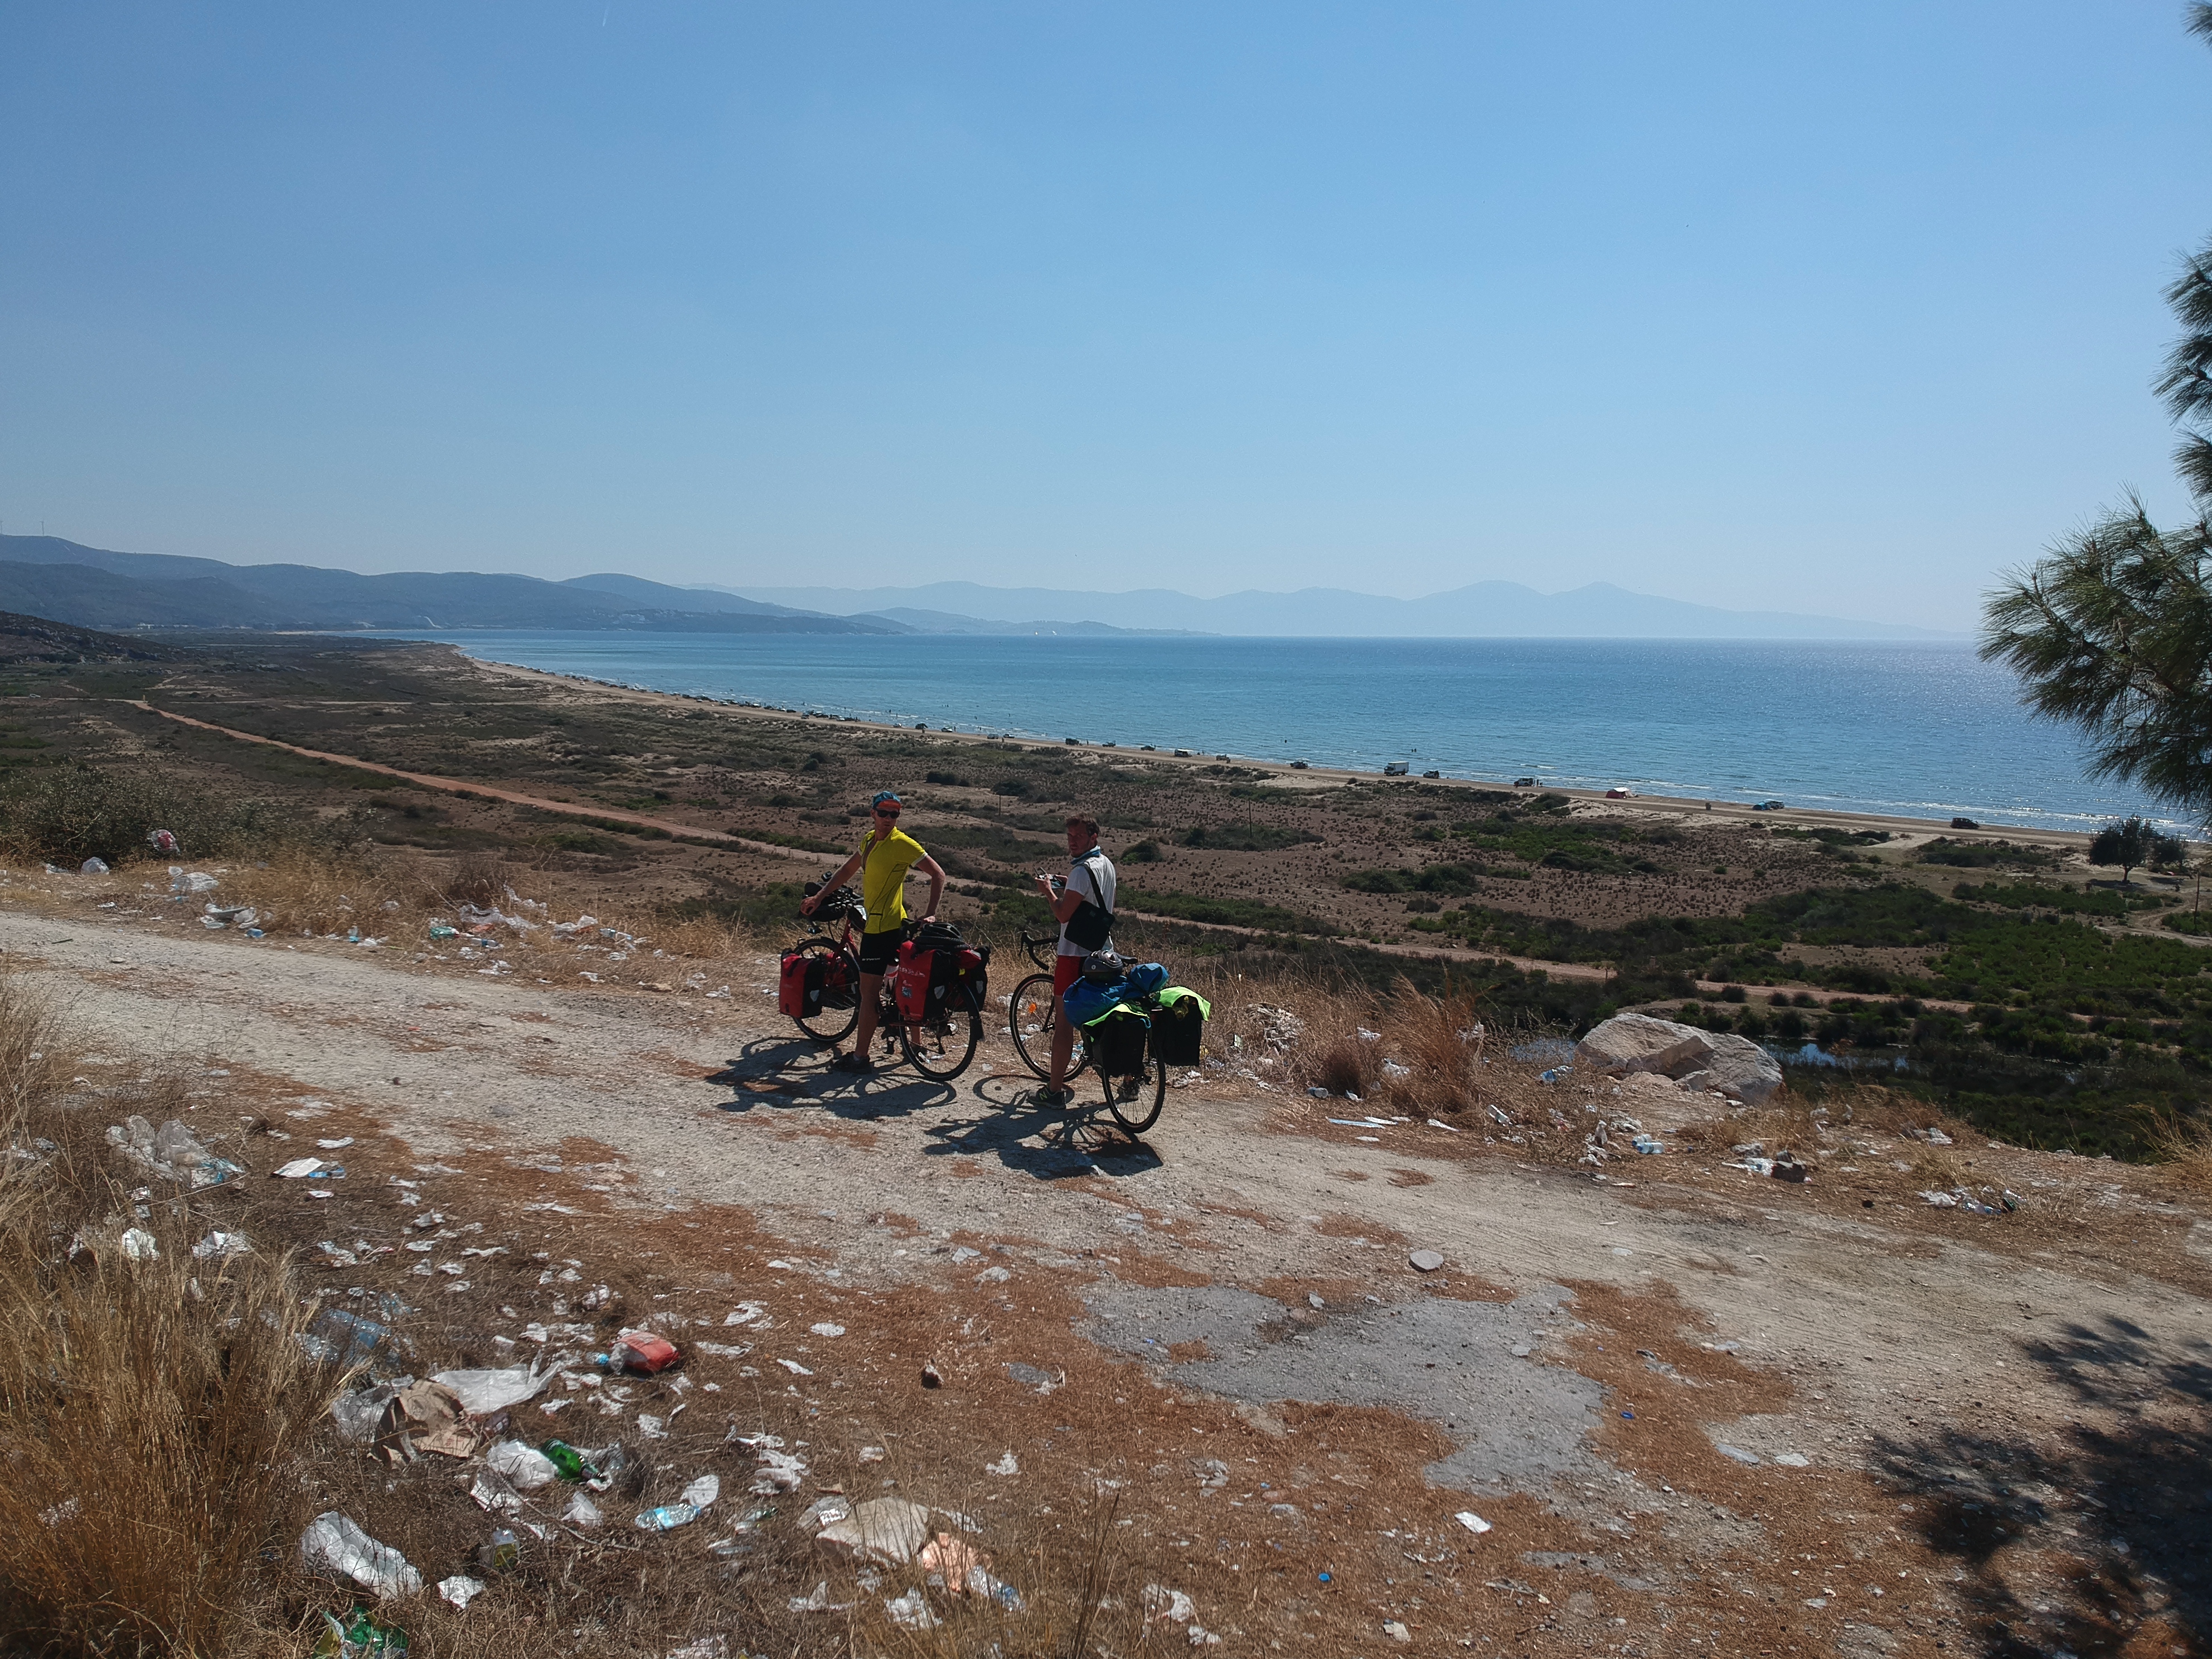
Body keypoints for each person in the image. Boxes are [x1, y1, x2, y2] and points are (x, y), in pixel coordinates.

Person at [802, 789, 945, 1073]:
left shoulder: (903, 843)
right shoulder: (869, 841)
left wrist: (930, 913)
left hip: (884, 929)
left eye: (895, 814)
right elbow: (847, 871)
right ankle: (914, 1047)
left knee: (869, 996)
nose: (889, 819)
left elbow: (938, 874)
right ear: (873, 814)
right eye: (884, 813)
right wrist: (819, 897)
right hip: (886, 926)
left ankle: (859, 1058)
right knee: (903, 984)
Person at [1030, 812, 1117, 1106]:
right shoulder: (1105, 864)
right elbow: (1091, 896)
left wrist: (1049, 892)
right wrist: (1070, 883)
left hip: (1073, 955)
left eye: (1079, 837)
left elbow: (1063, 914)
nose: (1073, 842)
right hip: (1103, 953)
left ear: (1094, 837)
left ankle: (1054, 1091)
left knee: (1064, 1025)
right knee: (1107, 1019)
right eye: (1069, 837)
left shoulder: (1082, 871)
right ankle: (1127, 1079)